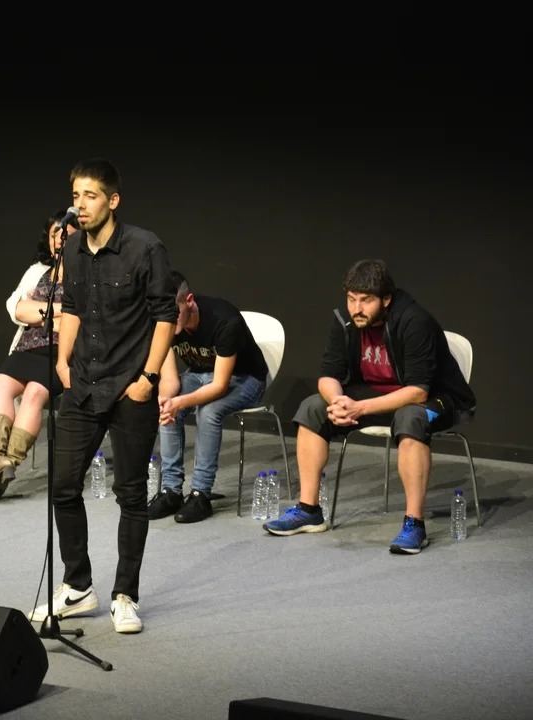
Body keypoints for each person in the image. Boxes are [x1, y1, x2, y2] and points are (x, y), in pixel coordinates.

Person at [27, 159, 179, 634]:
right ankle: (78, 585)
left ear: (113, 200)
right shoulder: (71, 247)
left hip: (131, 387)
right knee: (62, 485)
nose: (80, 205)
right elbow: (71, 306)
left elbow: (165, 315)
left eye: (90, 196)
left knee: (131, 493)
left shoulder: (144, 247)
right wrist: (62, 361)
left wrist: (149, 378)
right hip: (82, 382)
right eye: (75, 196)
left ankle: (125, 595)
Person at [263, 259, 476, 554]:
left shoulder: (414, 321)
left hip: (437, 398)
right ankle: (309, 510)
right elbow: (329, 375)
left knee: (411, 418)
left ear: (386, 299)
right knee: (313, 407)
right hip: (376, 395)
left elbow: (418, 391)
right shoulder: (344, 321)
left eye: (366, 300)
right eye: (351, 299)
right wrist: (338, 402)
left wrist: (359, 409)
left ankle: (415, 524)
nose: (356, 308)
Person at [0, 210, 80, 499]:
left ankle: (8, 464)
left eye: (66, 234)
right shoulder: (37, 271)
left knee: (34, 393)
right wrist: (57, 313)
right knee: (0, 382)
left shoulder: (88, 276)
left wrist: (39, 313)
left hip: (63, 352)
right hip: (27, 346)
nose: (59, 240)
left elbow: (82, 319)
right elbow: (15, 308)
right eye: (54, 234)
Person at [147, 275, 270, 522]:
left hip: (245, 378)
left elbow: (219, 386)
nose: (169, 319)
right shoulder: (162, 322)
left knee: (208, 412)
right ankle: (171, 490)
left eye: (174, 311)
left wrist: (179, 402)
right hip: (199, 374)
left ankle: (200, 494)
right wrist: (166, 401)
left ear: (189, 301)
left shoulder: (225, 320)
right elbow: (169, 379)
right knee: (167, 407)